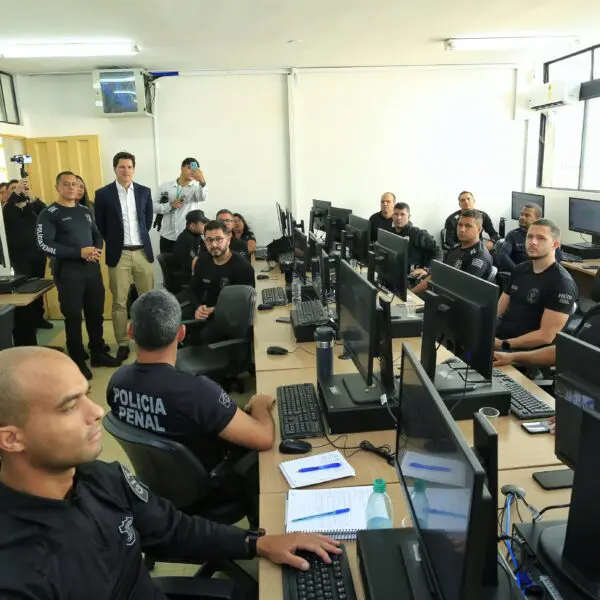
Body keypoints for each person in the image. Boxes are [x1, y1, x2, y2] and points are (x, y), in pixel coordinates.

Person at [0, 346, 342, 600]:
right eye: (70, 406)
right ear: (11, 438)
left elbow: (174, 529)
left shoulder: (100, 478)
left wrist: (258, 542)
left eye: (87, 395)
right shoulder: (17, 573)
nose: (97, 411)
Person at [107, 289, 275, 525]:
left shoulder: (117, 382)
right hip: (209, 492)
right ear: (181, 333)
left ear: (131, 331)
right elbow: (264, 438)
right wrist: (259, 405)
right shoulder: (197, 392)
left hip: (157, 487)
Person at [36, 172, 120, 379]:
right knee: (73, 317)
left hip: (91, 270)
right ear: (58, 187)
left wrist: (96, 250)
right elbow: (44, 243)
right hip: (68, 272)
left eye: (75, 184)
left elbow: (97, 234)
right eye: (67, 184)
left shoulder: (84, 210)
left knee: (95, 313)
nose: (72, 187)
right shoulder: (49, 213)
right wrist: (78, 253)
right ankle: (77, 360)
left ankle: (98, 352)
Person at [94, 151, 155, 363]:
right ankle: (122, 342)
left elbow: (147, 222)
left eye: (129, 167)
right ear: (115, 169)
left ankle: (147, 340)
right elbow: (100, 225)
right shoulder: (102, 194)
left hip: (141, 252)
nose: (126, 170)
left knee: (147, 300)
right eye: (122, 167)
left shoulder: (144, 192)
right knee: (119, 302)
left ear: (134, 169)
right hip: (118, 254)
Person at [495, 219, 577, 352]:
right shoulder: (520, 269)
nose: (533, 242)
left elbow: (546, 336)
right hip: (500, 339)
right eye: (530, 237)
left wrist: (503, 344)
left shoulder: (562, 283)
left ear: (555, 245)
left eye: (541, 238)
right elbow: (499, 309)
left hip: (522, 352)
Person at [2, 178, 52, 330]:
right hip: (19, 258)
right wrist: (14, 195)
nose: (18, 191)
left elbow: (46, 213)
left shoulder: (31, 207)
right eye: (13, 189)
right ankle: (28, 323)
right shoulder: (7, 210)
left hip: (37, 255)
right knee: (24, 290)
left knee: (38, 288)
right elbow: (7, 214)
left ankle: (38, 317)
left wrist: (32, 197)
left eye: (19, 188)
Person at [190, 220, 255, 329]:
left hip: (229, 319)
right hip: (204, 313)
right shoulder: (202, 260)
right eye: (209, 240)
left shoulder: (242, 267)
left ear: (228, 240)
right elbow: (192, 290)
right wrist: (198, 307)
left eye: (218, 239)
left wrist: (215, 309)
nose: (214, 244)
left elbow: (243, 304)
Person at [411, 209, 493, 295]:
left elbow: (463, 290)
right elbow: (436, 275)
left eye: (468, 226)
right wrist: (410, 295)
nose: (462, 229)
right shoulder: (456, 248)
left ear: (479, 230)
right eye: (459, 225)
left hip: (459, 302)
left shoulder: (479, 257)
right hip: (443, 295)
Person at [494, 303, 600, 368]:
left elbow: (546, 337)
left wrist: (504, 345)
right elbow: (563, 351)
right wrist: (512, 357)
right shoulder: (596, 311)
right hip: (570, 388)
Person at [154, 157, 208, 254]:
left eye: (195, 169)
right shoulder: (165, 186)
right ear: (182, 168)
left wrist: (202, 181)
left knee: (188, 267)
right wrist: (169, 205)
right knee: (168, 267)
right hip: (167, 237)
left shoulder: (197, 188)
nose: (192, 171)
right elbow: (153, 207)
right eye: (189, 167)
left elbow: (203, 197)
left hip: (188, 237)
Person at [391, 202, 442, 278]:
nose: (398, 218)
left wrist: (427, 269)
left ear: (409, 216)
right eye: (396, 214)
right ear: (392, 216)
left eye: (402, 214)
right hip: (394, 273)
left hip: (411, 277)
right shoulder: (390, 233)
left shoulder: (418, 234)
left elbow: (438, 252)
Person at [173, 209, 208, 281]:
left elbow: (206, 250)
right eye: (202, 224)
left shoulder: (196, 235)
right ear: (192, 226)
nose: (205, 226)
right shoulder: (187, 239)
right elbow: (192, 264)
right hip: (187, 278)